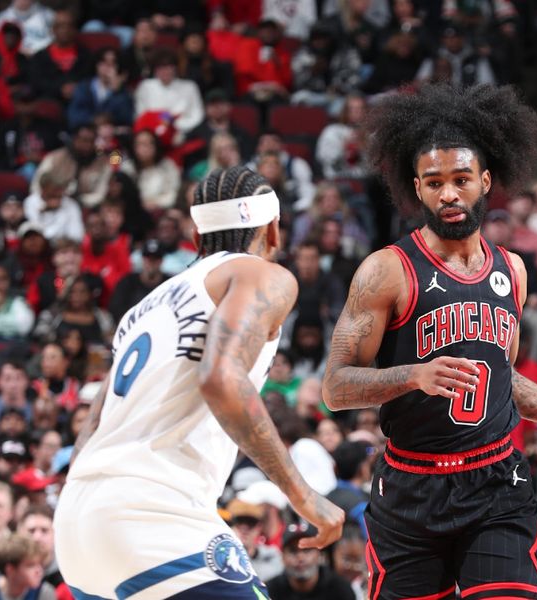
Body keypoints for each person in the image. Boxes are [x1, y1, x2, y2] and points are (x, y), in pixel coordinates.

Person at [321, 83, 537, 598]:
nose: (449, 193)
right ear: (417, 189)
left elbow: (502, 380)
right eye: (434, 182)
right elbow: (335, 387)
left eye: (461, 179)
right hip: (411, 487)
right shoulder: (386, 271)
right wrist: (413, 376)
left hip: (495, 483)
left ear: (485, 181)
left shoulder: (512, 271)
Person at [54, 165, 343, 598]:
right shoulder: (261, 275)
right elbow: (221, 378)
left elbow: (92, 427)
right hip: (151, 512)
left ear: (196, 237)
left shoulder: (145, 307)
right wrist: (303, 496)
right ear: (273, 230)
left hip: (78, 523)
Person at [266, 523, 356, 600]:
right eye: (293, 551)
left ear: (319, 553)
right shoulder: (269, 591)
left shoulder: (340, 589)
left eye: (307, 550)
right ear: (282, 556)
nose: (300, 557)